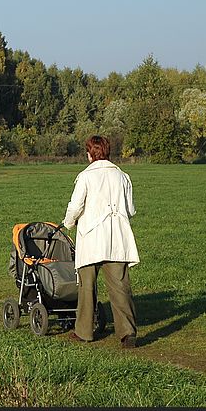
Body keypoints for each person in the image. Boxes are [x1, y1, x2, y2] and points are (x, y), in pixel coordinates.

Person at [62, 135, 139, 348]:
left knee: (87, 286)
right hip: (117, 238)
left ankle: (84, 331)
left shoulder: (86, 176)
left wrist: (68, 223)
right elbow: (130, 210)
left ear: (90, 153)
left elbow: (76, 206)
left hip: (92, 238)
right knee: (120, 286)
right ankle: (127, 333)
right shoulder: (122, 176)